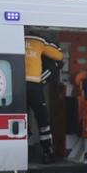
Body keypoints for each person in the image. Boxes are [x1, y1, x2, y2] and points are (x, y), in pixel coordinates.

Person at [25, 35, 64, 163]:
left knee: (22, 120)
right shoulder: (39, 41)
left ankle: (26, 149)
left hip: (17, 87)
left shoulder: (12, 38)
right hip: (35, 86)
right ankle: (47, 152)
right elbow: (59, 56)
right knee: (42, 119)